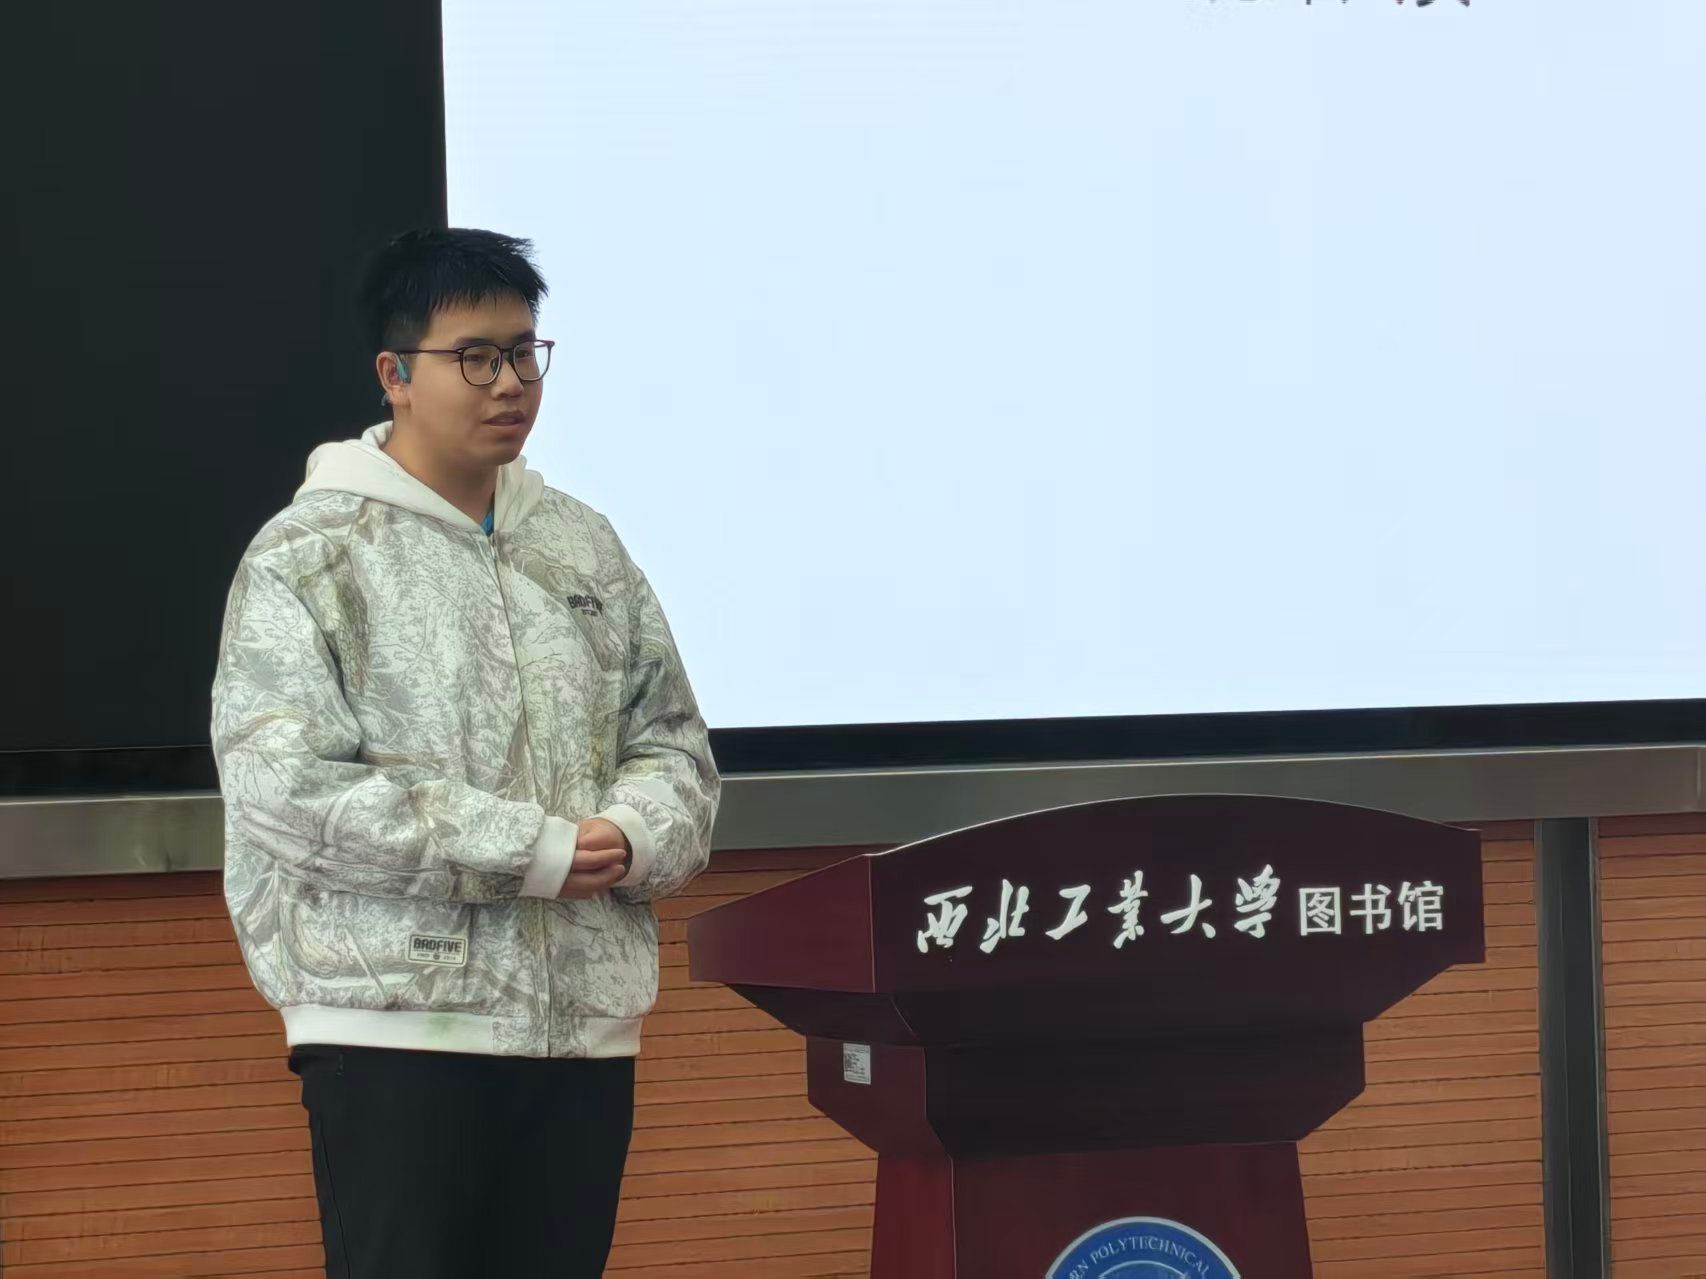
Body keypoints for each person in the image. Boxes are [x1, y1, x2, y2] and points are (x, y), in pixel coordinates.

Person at [210, 227, 720, 1278]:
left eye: (526, 353)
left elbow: (671, 740)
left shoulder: (582, 544)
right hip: (397, 1028)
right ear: (395, 374)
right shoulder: (312, 552)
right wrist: (529, 849)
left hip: (582, 1032)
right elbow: (284, 787)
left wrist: (631, 832)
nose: (511, 383)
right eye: (476, 357)